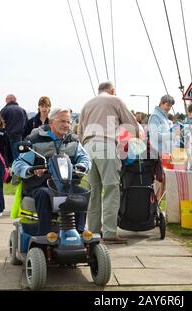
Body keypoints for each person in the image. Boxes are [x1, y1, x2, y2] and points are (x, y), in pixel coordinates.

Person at [13, 108, 91, 235]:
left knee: (82, 193)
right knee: (44, 195)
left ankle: (79, 233)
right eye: (62, 121)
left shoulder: (73, 141)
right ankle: (46, 235)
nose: (66, 125)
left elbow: (85, 158)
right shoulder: (35, 140)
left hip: (66, 185)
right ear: (52, 122)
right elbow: (18, 164)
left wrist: (82, 166)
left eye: (68, 122)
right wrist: (30, 170)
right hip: (41, 184)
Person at [79, 82, 139, 243]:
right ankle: (110, 233)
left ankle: (92, 231)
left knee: (93, 192)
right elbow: (131, 124)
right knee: (111, 188)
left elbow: (79, 131)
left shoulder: (87, 104)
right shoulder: (115, 100)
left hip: (87, 147)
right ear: (112, 90)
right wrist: (136, 140)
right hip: (106, 145)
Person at [148, 95, 177, 202]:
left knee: (163, 182)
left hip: (164, 154)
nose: (168, 107)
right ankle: (153, 208)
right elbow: (155, 136)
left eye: (170, 106)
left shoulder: (164, 117)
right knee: (158, 183)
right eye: (167, 104)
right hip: (157, 154)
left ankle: (157, 208)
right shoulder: (156, 116)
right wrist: (171, 135)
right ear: (161, 102)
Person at [0, 94, 28, 161]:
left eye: (6, 99)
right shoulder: (23, 111)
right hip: (19, 136)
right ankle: (16, 170)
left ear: (8, 100)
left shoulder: (4, 110)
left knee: (7, 155)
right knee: (17, 156)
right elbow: (27, 124)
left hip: (7, 136)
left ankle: (9, 170)